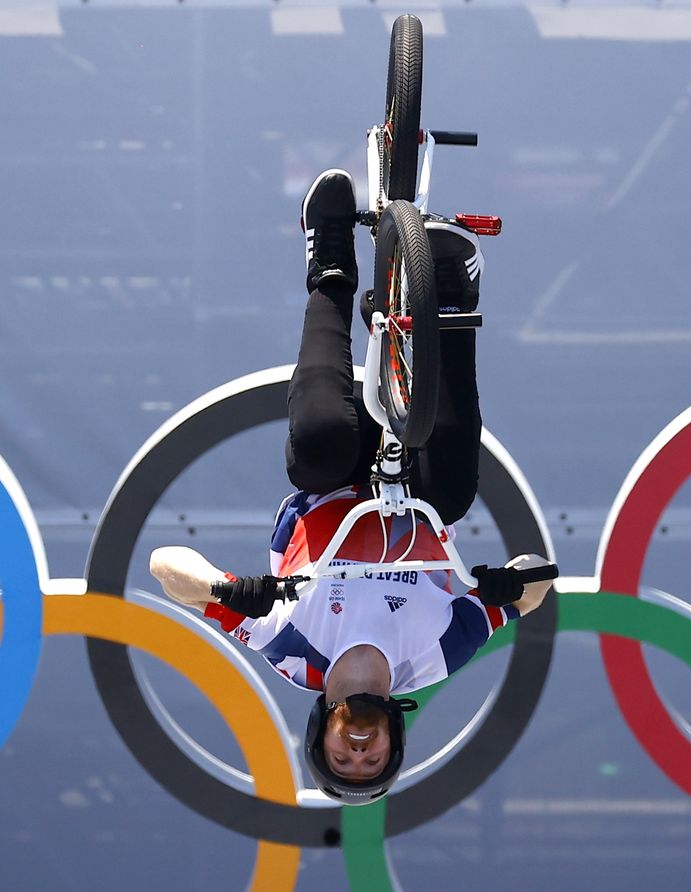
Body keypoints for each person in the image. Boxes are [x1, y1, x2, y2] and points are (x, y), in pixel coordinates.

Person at [150, 169, 555, 806]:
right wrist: (507, 582)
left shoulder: (289, 651)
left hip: (334, 478)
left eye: (343, 757)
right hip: (414, 477)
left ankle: (329, 258)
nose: (360, 751)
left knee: (314, 447)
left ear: (324, 732)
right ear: (395, 739)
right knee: (452, 493)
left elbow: (163, 568)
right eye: (373, 761)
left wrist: (227, 591)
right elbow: (535, 589)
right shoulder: (440, 655)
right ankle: (449, 293)